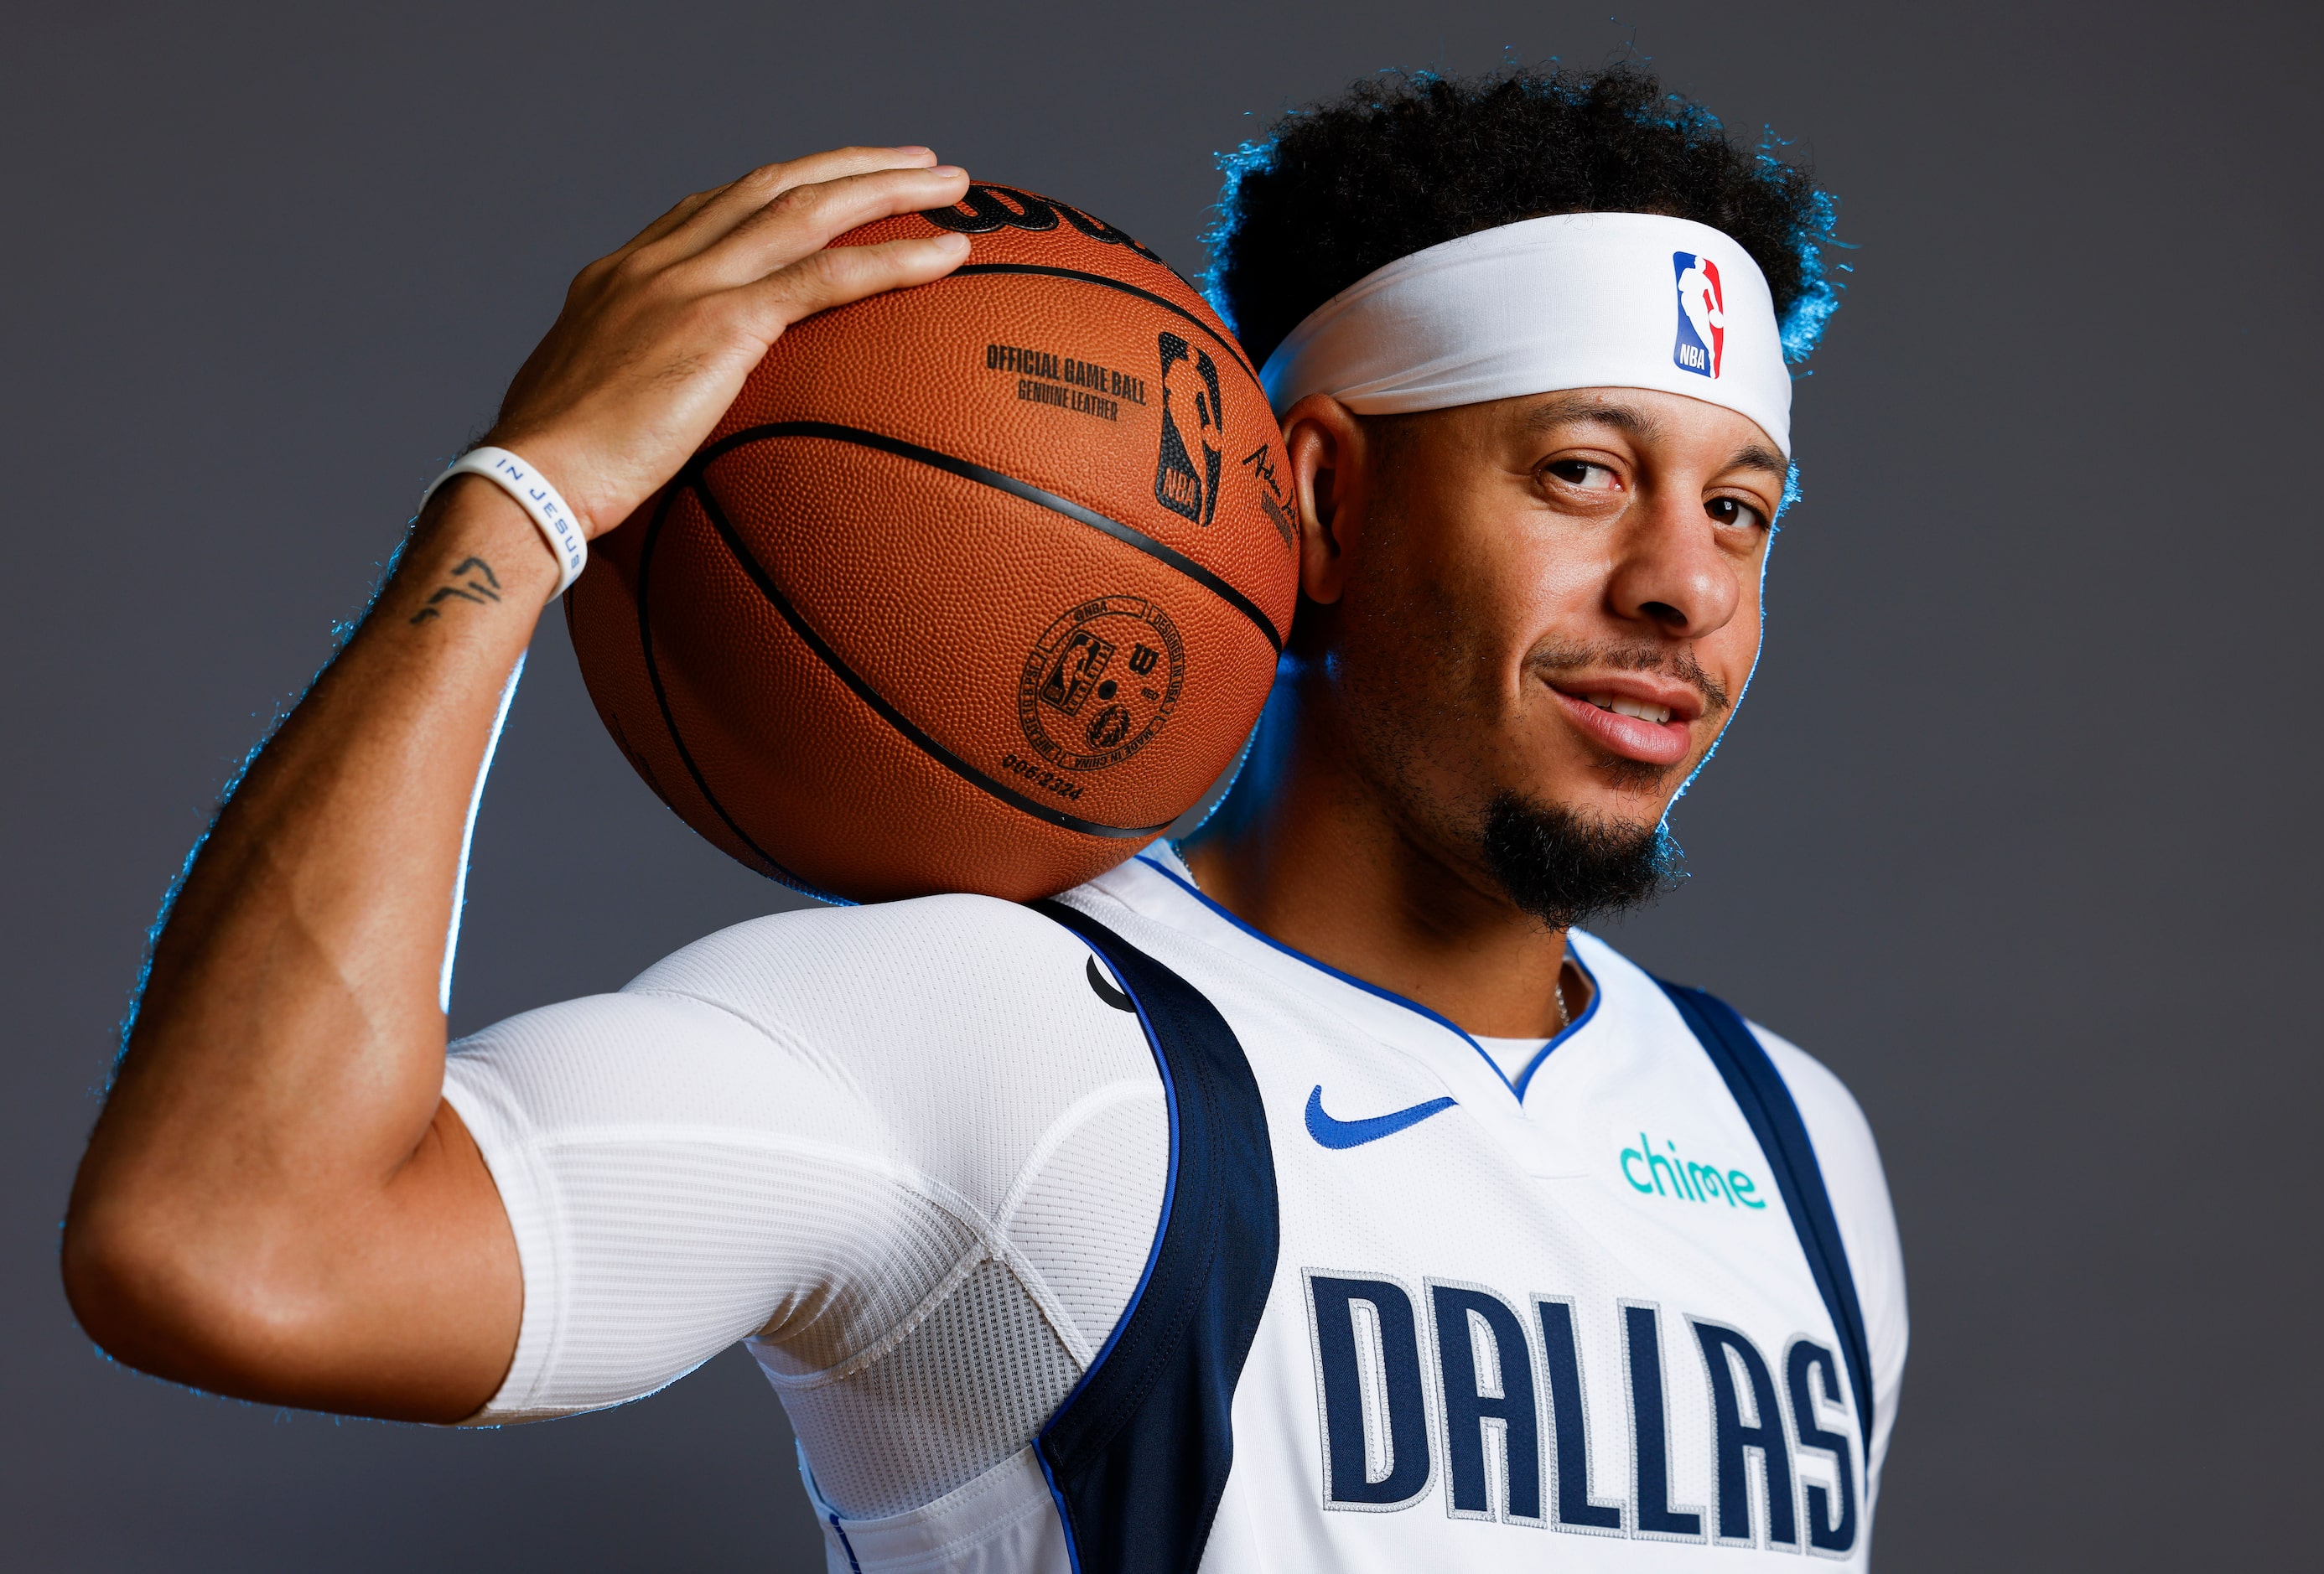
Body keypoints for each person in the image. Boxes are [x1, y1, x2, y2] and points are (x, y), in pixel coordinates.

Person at [61, 64, 1906, 1571]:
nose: (1687, 587)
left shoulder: (1794, 1143)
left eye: (1742, 508)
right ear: (1323, 507)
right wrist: (518, 508)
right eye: (1580, 475)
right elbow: (230, 1244)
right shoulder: (996, 1036)